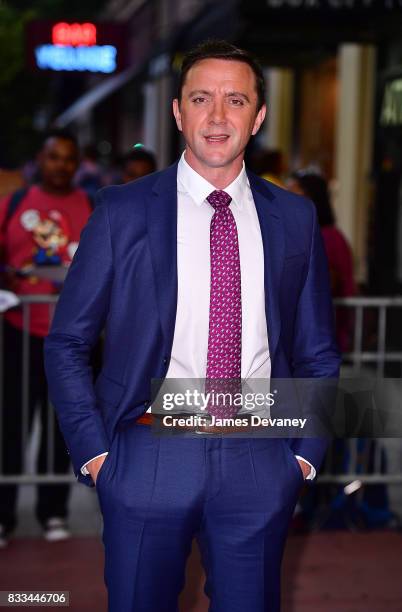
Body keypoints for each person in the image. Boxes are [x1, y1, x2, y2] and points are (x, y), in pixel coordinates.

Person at [45, 41, 340, 611]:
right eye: (201, 98)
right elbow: (67, 341)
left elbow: (319, 351)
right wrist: (96, 456)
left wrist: (304, 456)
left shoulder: (295, 218)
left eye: (236, 100)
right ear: (178, 111)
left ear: (258, 118)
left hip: (260, 450)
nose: (217, 116)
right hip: (148, 449)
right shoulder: (123, 212)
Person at [0, 130, 92, 547]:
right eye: (54, 157)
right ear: (41, 159)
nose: (62, 166)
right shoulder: (15, 204)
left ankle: (53, 510)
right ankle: (3, 515)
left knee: (62, 427)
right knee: (11, 425)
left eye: (69, 159)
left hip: (72, 340)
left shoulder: (92, 205)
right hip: (19, 334)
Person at [288, 169, 357, 352]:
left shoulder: (326, 237)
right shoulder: (317, 233)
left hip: (323, 333)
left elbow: (324, 281)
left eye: (294, 191)